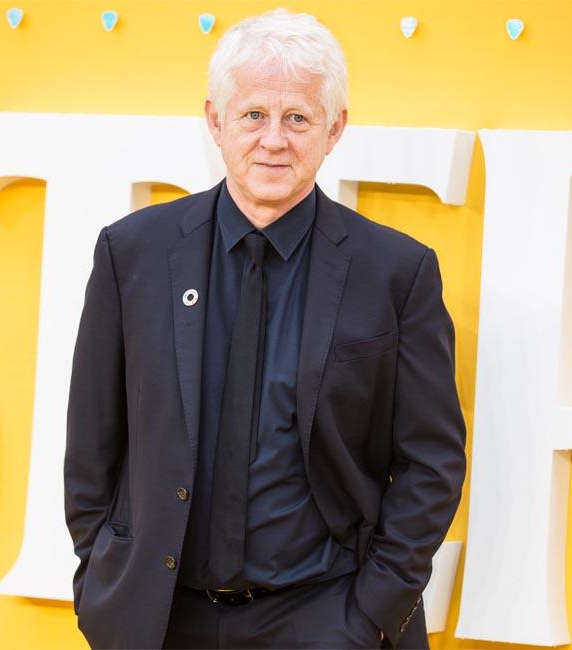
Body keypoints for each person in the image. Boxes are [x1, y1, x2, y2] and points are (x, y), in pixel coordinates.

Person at [64, 8, 466, 650]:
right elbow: (92, 443)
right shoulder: (131, 252)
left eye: (297, 118)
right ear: (215, 121)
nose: (273, 140)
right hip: (161, 623)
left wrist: (368, 617)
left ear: (334, 129)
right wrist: (100, 579)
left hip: (326, 618)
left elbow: (432, 463)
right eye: (253, 115)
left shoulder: (398, 273)